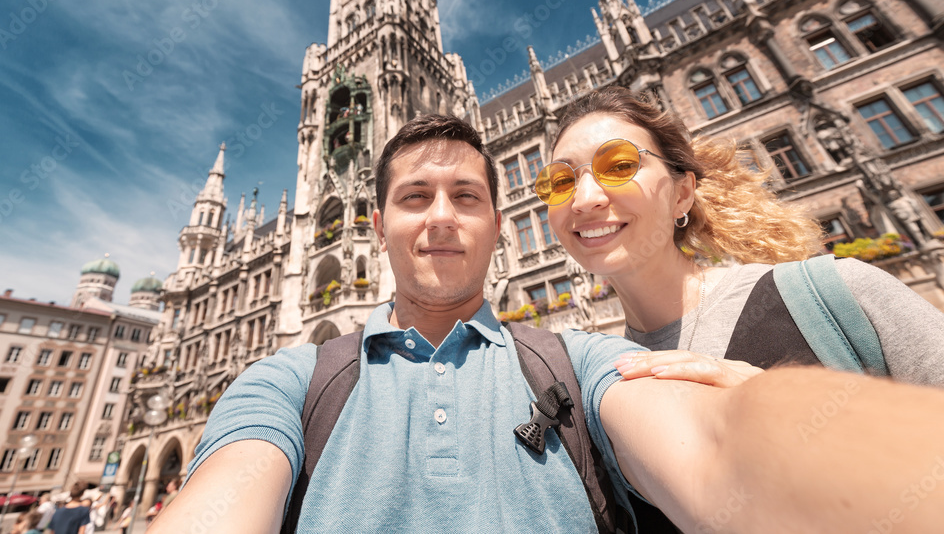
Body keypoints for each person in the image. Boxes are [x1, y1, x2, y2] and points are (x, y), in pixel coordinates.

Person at [149, 114, 944, 533]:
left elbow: (718, 451)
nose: (439, 219)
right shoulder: (293, 378)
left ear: (502, 223)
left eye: (467, 196)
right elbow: (225, 500)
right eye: (412, 198)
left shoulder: (576, 359)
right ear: (375, 224)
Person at [538, 87, 944, 386]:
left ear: (682, 194)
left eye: (621, 165)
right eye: (560, 180)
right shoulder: (597, 373)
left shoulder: (837, 294)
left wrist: (779, 403)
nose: (584, 199)